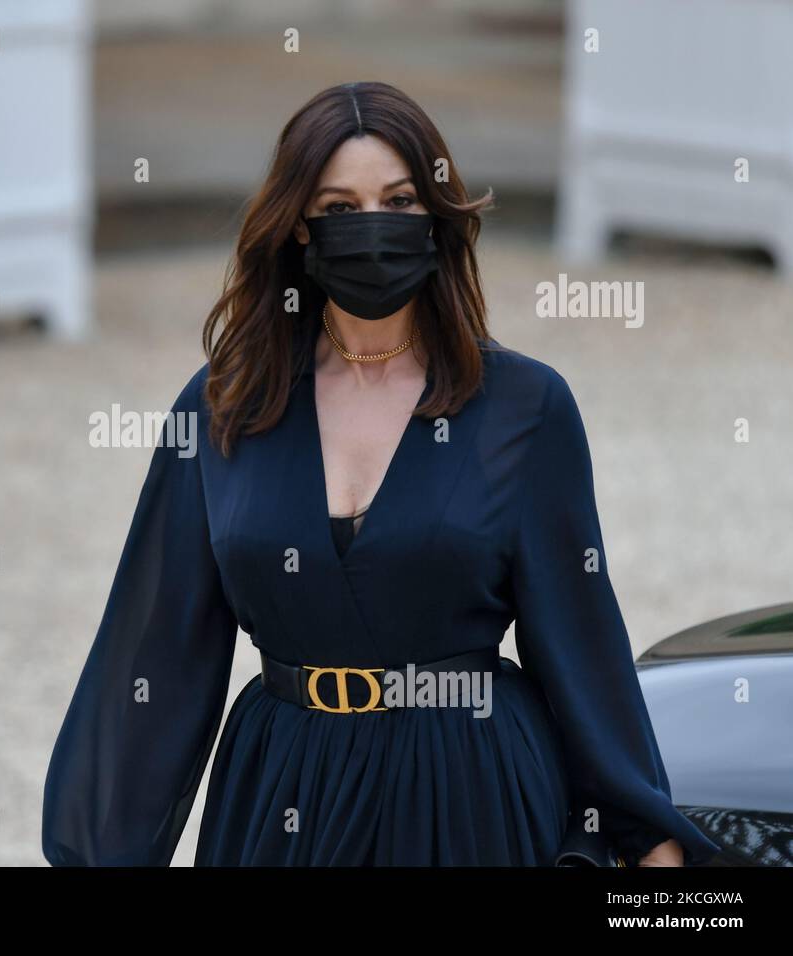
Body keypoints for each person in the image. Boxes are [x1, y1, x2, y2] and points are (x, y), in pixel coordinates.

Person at [41, 81, 722, 867]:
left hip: (471, 791)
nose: (371, 229)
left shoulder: (525, 409)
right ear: (297, 226)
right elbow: (157, 653)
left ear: (435, 217)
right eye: (339, 209)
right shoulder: (224, 407)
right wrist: (96, 851)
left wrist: (647, 844)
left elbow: (581, 646)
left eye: (398, 201)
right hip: (283, 795)